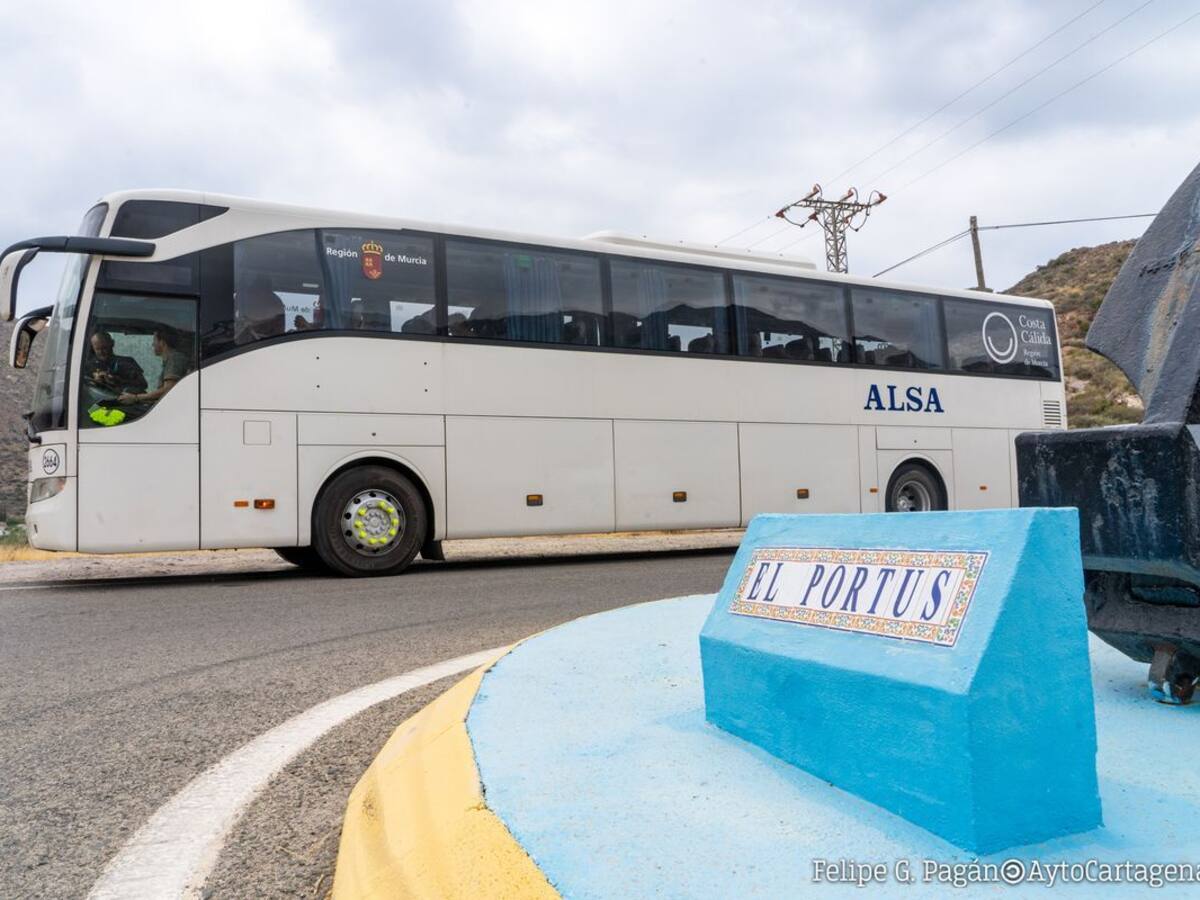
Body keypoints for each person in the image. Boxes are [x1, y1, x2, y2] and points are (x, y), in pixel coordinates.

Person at [118, 327, 192, 406]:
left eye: (154, 340)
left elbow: (168, 389)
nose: (152, 344)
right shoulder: (171, 359)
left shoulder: (174, 358)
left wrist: (136, 398)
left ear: (162, 342)